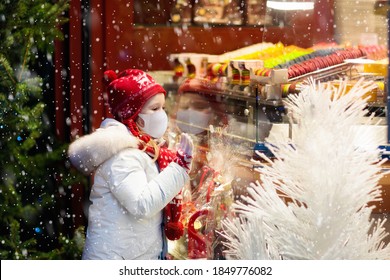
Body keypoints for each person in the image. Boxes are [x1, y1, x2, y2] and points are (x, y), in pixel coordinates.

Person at [68, 69, 194, 260]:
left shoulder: (143, 147)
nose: (162, 114)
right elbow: (141, 204)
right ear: (133, 114)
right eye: (154, 109)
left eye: (162, 107)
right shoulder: (123, 155)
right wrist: (178, 168)